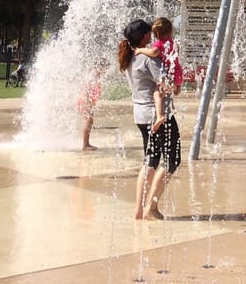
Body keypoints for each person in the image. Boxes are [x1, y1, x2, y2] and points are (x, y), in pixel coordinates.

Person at [118, 18, 181, 220]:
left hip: (141, 115)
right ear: (145, 36)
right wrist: (176, 84)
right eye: (149, 34)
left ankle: (139, 209)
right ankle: (151, 207)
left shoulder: (131, 58)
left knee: (151, 160)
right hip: (157, 117)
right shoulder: (147, 59)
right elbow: (164, 85)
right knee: (172, 159)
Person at [135, 16, 183, 132]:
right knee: (170, 93)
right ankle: (176, 89)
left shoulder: (160, 44)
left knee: (157, 93)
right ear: (171, 31)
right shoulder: (173, 43)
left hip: (169, 75)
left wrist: (140, 50)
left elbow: (153, 52)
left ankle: (160, 115)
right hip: (176, 72)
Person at [78, 65, 103, 150]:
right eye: (105, 68)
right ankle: (85, 145)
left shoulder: (94, 74)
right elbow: (87, 87)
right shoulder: (94, 74)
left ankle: (86, 143)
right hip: (85, 100)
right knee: (88, 120)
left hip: (86, 100)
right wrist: (88, 100)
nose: (105, 71)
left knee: (89, 120)